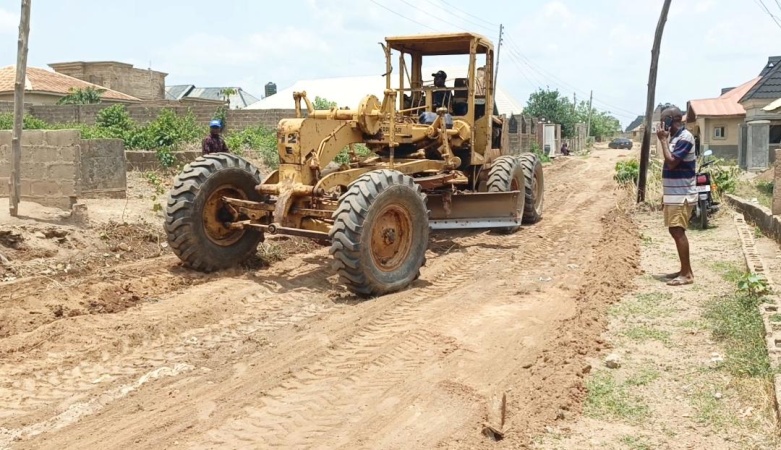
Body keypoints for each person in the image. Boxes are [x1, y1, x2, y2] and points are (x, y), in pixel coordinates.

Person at [656, 105, 697, 286]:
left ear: (671, 120)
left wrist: (663, 141)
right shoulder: (675, 138)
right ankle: (683, 269)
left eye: (664, 120)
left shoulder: (685, 137)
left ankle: (687, 274)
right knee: (675, 230)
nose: (661, 124)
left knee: (677, 231)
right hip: (674, 194)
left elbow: (672, 163)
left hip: (682, 194)